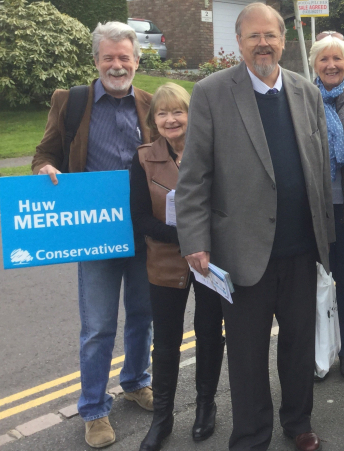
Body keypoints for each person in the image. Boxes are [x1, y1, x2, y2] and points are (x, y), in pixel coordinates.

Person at [175, 3, 333, 451]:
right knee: (246, 356)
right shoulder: (210, 92)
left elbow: (319, 170)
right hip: (240, 251)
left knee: (299, 348)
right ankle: (250, 435)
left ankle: (298, 423)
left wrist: (328, 239)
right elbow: (194, 177)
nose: (263, 43)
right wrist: (195, 242)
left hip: (301, 249)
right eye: (253, 36)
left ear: (283, 40)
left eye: (271, 35)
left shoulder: (306, 91)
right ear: (239, 43)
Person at [32, 21, 154, 449]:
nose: (117, 65)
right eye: (109, 58)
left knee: (142, 315)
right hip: (95, 234)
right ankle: (95, 409)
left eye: (125, 57)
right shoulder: (72, 102)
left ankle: (138, 381)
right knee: (99, 326)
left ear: (137, 60)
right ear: (97, 61)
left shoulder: (150, 103)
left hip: (144, 233)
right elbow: (44, 153)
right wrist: (45, 169)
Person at [129, 83, 225, 450]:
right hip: (167, 261)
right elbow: (140, 218)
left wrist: (202, 241)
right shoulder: (143, 158)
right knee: (166, 342)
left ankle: (205, 405)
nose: (171, 119)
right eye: (162, 113)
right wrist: (185, 238)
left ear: (191, 113)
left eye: (178, 111)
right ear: (154, 120)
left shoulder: (212, 150)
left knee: (208, 332)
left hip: (209, 261)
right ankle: (162, 417)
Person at [308, 35, 344, 379]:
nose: (331, 65)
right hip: (313, 210)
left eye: (337, 59)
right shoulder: (301, 100)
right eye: (324, 59)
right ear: (314, 63)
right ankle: (320, 351)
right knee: (313, 284)